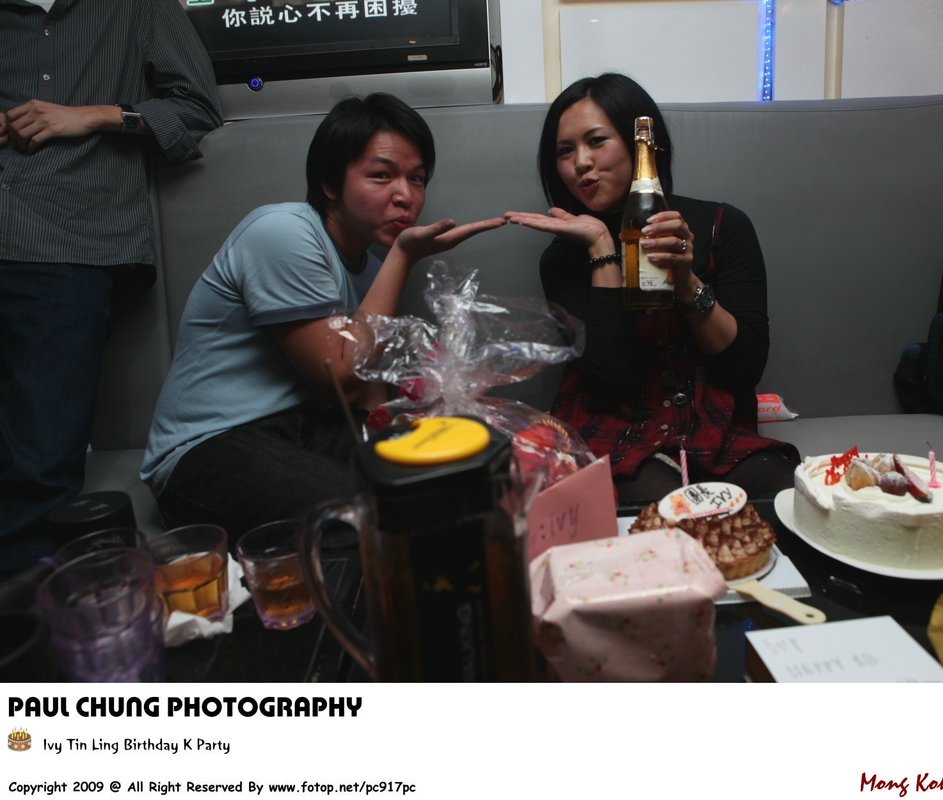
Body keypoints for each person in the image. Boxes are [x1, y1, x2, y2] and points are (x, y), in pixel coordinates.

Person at [141, 93, 507, 540]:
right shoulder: (283, 233)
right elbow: (339, 377)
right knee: (374, 515)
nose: (406, 197)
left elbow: (367, 395)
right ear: (330, 183)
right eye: (382, 175)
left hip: (308, 428)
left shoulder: (370, 270)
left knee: (442, 486)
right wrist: (404, 256)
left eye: (417, 179)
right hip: (210, 447)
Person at [505, 73, 798, 504]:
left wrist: (686, 281)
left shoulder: (721, 227)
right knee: (665, 516)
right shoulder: (563, 257)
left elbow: (745, 368)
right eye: (565, 151)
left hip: (715, 429)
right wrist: (602, 248)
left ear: (642, 145)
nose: (580, 162)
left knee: (790, 500)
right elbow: (611, 380)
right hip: (614, 431)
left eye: (596, 141)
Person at [0, 0, 222, 565]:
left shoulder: (133, 7)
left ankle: (31, 606)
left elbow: (197, 106)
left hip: (66, 239)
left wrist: (95, 115)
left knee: (37, 464)